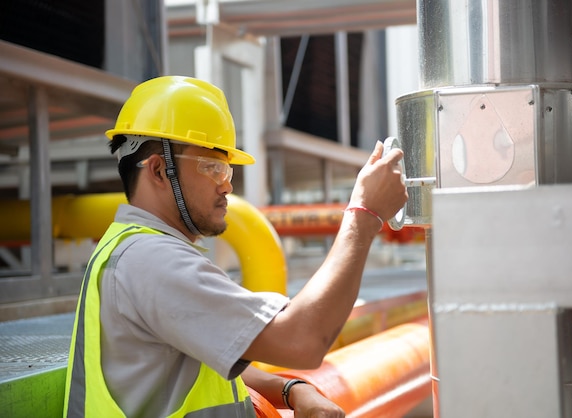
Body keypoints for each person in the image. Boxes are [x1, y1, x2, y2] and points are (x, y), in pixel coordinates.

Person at [63, 76, 407, 418]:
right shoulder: (151, 261)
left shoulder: (132, 252)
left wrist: (291, 389)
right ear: (158, 169)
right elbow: (302, 340)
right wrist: (364, 214)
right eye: (212, 167)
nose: (226, 186)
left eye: (227, 170)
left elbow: (208, 360)